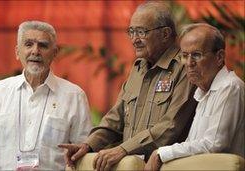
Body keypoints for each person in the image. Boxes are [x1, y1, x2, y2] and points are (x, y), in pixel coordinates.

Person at [59, 2, 197, 170]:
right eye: (131, 32)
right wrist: (88, 145)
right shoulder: (138, 68)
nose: (134, 39)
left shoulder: (185, 67)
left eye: (141, 32)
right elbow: (115, 118)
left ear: (165, 34)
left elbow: (171, 126)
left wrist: (123, 149)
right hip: (129, 165)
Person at [0, 21, 92, 170]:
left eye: (43, 45)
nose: (35, 51)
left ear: (55, 53)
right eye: (28, 44)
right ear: (17, 52)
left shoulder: (73, 96)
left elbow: (84, 154)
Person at [144, 23, 245, 171]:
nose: (189, 63)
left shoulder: (229, 87)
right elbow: (195, 145)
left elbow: (214, 144)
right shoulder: (203, 90)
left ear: (219, 57)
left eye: (196, 55)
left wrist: (162, 153)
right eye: (185, 56)